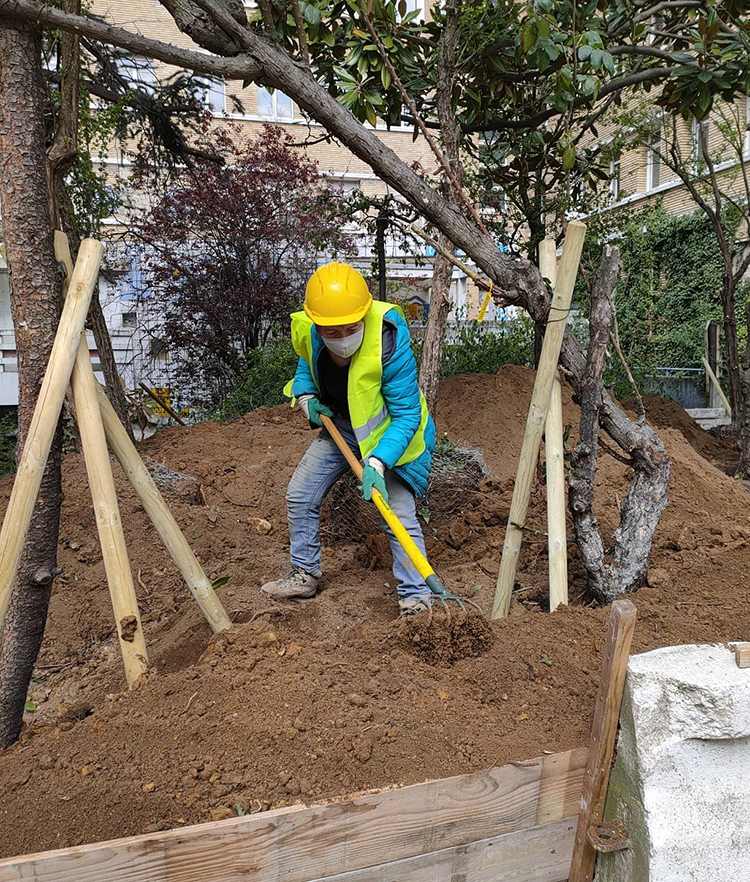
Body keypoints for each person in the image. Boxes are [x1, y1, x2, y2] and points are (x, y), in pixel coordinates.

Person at [260, 262, 436, 615]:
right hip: (340, 428)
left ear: (365, 313)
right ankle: (304, 573)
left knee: (398, 515)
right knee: (299, 494)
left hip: (390, 438)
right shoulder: (312, 330)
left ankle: (416, 596)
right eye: (332, 331)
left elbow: (406, 416)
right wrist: (307, 397)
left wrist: (377, 461)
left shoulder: (388, 341)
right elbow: (305, 365)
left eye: (350, 328)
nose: (342, 337)